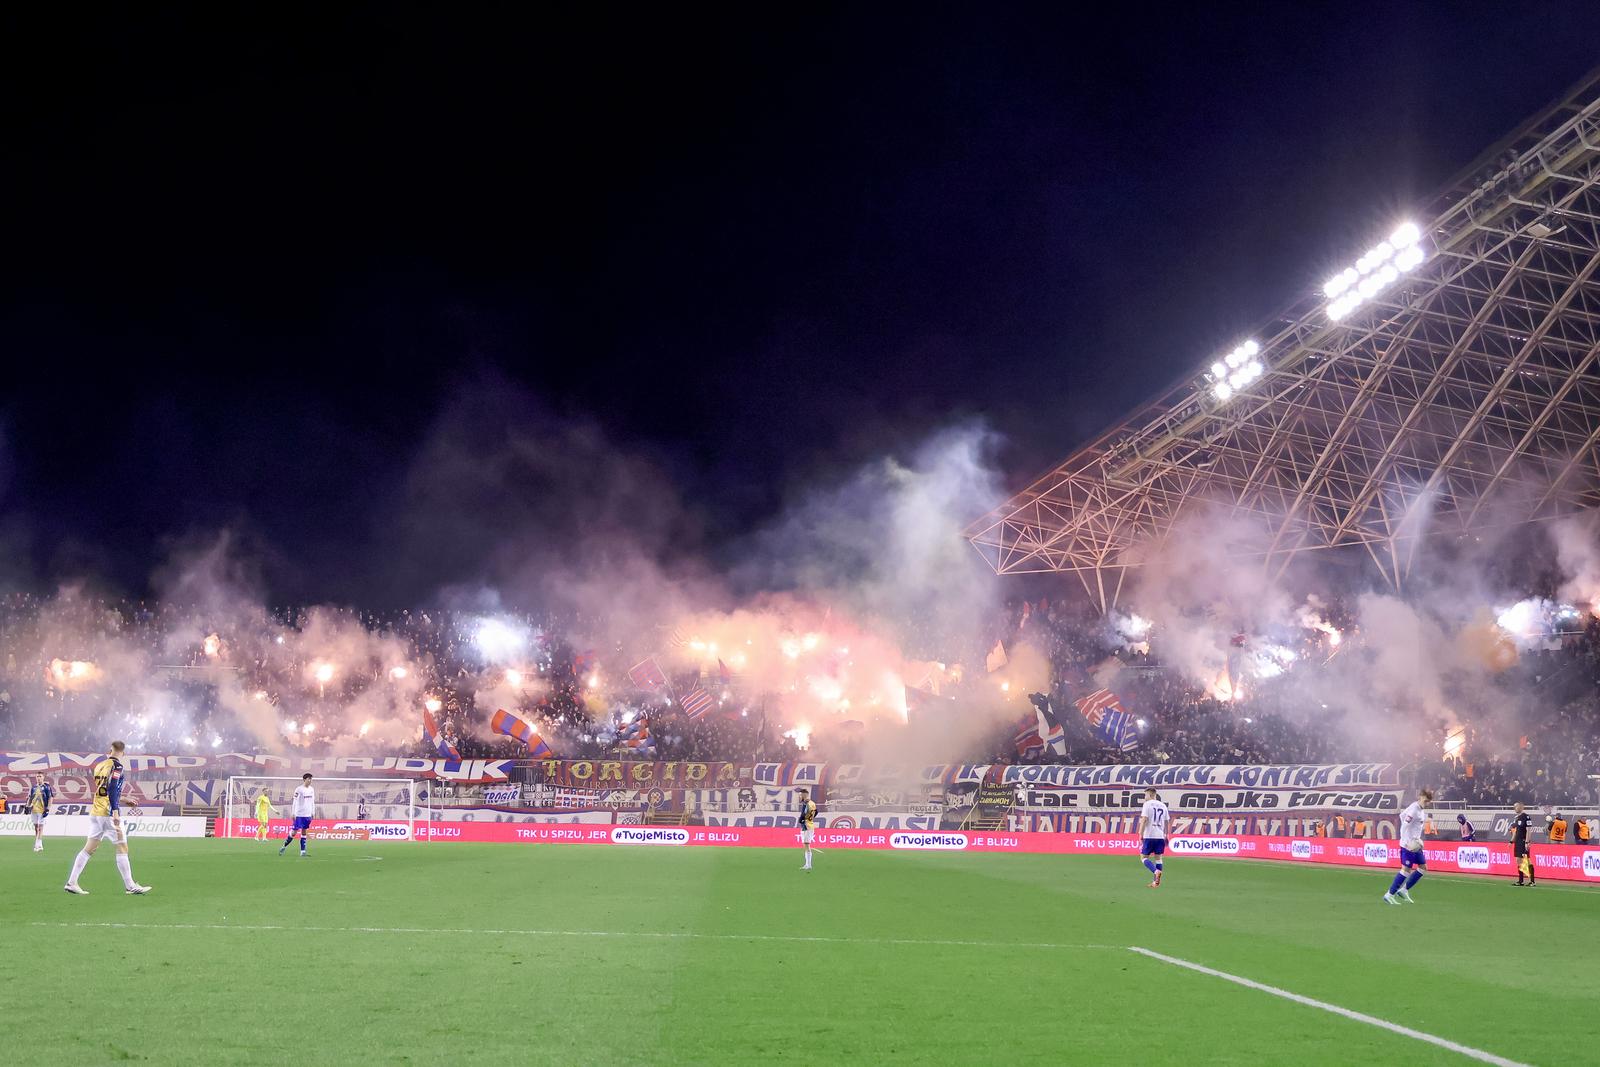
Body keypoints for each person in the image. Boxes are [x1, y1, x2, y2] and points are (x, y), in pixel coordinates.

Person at [63, 741, 151, 895]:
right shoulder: (117, 767)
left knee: (89, 848)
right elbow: (112, 788)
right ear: (123, 753)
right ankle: (130, 886)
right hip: (108, 813)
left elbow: (102, 791)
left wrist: (124, 799)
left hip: (96, 811)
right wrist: (116, 810)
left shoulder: (99, 766)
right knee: (122, 847)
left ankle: (72, 882)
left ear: (109, 751)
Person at [1383, 787, 1432, 904]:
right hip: (1409, 845)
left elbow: (1401, 815)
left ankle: (1404, 890)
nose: (1427, 803)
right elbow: (1405, 824)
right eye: (1425, 800)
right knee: (1406, 869)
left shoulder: (1418, 808)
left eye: (1428, 801)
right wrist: (1405, 841)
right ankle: (1389, 894)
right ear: (1420, 797)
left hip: (1416, 844)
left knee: (1423, 867)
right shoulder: (1414, 810)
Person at [1138, 787, 1170, 889]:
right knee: (1158, 858)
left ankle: (1155, 872)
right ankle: (1155, 883)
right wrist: (1167, 834)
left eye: (1145, 795)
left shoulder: (1147, 804)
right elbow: (1166, 821)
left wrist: (1140, 833)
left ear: (1150, 795)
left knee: (1143, 858)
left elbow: (1144, 819)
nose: (1145, 797)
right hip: (1160, 836)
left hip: (1149, 835)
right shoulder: (1163, 805)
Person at [280, 773, 315, 857]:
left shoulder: (311, 789)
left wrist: (313, 812)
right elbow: (295, 801)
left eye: (311, 779)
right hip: (299, 814)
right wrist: (293, 812)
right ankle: (284, 846)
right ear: (304, 780)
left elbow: (312, 801)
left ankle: (302, 851)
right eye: (308, 779)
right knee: (294, 833)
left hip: (307, 814)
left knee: (304, 831)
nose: (310, 780)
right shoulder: (299, 789)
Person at [1509, 802, 1535, 887]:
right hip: (1518, 842)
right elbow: (1515, 831)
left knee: (1527, 860)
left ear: (1521, 807)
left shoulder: (1526, 817)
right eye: (1514, 807)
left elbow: (1529, 830)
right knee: (1518, 860)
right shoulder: (1517, 818)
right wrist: (1511, 841)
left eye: (1516, 806)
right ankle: (1521, 881)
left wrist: (1527, 842)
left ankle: (1532, 881)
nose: (1515, 808)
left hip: (1524, 841)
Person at [27, 773, 54, 853]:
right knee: (36, 827)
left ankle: (37, 844)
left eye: (40, 776)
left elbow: (50, 798)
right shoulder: (33, 787)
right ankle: (39, 843)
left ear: (43, 777)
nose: (38, 778)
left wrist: (48, 809)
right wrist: (27, 806)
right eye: (37, 776)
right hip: (34, 810)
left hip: (42, 810)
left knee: (40, 827)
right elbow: (30, 797)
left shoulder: (47, 787)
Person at [796, 788, 817, 871]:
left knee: (807, 845)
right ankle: (807, 864)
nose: (799, 797)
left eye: (800, 795)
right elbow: (816, 811)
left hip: (807, 826)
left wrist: (802, 820)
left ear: (804, 795)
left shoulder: (806, 803)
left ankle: (808, 865)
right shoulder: (812, 803)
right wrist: (810, 819)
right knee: (806, 845)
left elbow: (803, 814)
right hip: (809, 825)